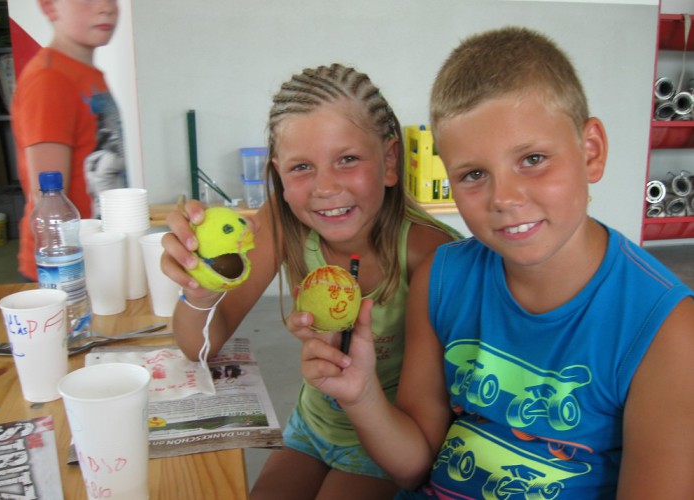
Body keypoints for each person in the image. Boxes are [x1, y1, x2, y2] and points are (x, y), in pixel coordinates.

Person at [297, 27, 694, 499]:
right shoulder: (442, 278)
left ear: (591, 151)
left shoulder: (666, 330)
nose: (503, 198)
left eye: (533, 159)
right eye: (474, 174)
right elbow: (413, 466)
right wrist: (362, 394)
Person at [161, 63, 459, 499]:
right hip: (311, 427)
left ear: (390, 161)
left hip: (388, 442)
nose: (325, 187)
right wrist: (200, 292)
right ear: (279, 174)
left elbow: (416, 458)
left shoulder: (432, 257)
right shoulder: (284, 224)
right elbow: (198, 346)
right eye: (302, 167)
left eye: (348, 159)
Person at [12, 0, 127, 281]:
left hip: (96, 252)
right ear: (50, 7)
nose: (106, 8)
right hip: (64, 265)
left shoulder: (87, 75)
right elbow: (48, 197)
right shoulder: (50, 79)